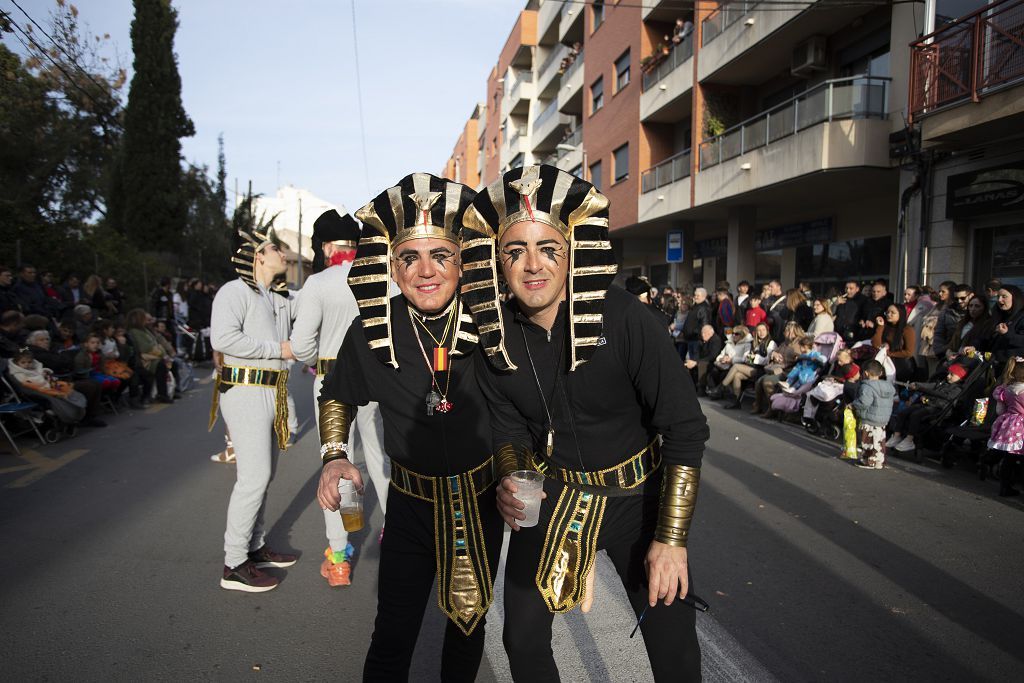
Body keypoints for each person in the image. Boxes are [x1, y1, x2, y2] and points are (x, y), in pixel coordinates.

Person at [462, 164, 708, 682]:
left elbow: (685, 430)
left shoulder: (628, 320)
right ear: (497, 261)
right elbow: (507, 429)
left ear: (572, 251)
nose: (532, 265)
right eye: (515, 251)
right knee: (521, 639)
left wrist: (671, 538)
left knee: (675, 647)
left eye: (547, 248)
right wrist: (509, 474)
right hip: (552, 495)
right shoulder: (494, 336)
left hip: (637, 499)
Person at [316, 173, 503, 680]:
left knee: (467, 630)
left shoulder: (494, 321)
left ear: (462, 261)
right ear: (391, 268)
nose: (426, 271)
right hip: (409, 508)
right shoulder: (373, 328)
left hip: (479, 505)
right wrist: (335, 454)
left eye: (440, 255)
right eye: (410, 258)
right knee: (393, 634)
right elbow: (337, 395)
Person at [291, 208, 391, 587]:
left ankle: (338, 558)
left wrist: (317, 350)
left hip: (331, 383)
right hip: (375, 382)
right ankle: (392, 531)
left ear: (328, 246)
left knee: (336, 465)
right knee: (380, 458)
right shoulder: (378, 277)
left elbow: (301, 348)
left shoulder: (318, 283)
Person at [207, 225, 298, 593]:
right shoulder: (235, 290)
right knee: (254, 478)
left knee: (265, 476)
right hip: (243, 390)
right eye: (277, 249)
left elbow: (321, 300)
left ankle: (255, 546)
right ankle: (234, 562)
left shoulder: (278, 297)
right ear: (259, 255)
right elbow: (223, 338)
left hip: (270, 391)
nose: (284, 256)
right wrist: (278, 349)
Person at [886, 363, 969, 453]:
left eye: (952, 374)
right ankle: (896, 436)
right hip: (927, 404)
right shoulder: (943, 383)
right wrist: (917, 385)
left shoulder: (957, 390)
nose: (948, 376)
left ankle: (909, 439)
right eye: (948, 373)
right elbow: (930, 386)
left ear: (960, 377)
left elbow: (944, 403)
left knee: (915, 415)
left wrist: (928, 401)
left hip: (938, 410)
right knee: (903, 412)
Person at [751, 321, 806, 415]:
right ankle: (759, 406)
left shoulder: (799, 344)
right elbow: (774, 352)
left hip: (788, 371)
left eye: (788, 331)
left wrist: (790, 360)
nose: (785, 333)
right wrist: (774, 354)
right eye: (786, 331)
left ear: (794, 332)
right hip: (777, 368)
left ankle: (773, 408)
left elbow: (800, 359)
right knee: (759, 381)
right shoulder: (785, 343)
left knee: (767, 381)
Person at [987, 358, 1024, 497]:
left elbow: (1000, 411)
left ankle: (1004, 486)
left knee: (1009, 459)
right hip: (1022, 428)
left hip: (1009, 426)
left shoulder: (1006, 390)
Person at [718, 322, 775, 409]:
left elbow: (766, 360)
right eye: (759, 330)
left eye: (763, 330)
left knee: (736, 366)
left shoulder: (771, 343)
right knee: (737, 375)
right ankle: (736, 401)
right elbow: (746, 358)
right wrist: (751, 358)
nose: (761, 332)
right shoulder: (753, 342)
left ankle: (721, 387)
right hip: (751, 368)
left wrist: (754, 358)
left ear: (767, 331)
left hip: (762, 370)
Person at [851, 359, 895, 469]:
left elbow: (864, 402)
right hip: (883, 419)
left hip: (869, 417)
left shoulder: (867, 386)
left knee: (868, 441)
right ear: (881, 373)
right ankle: (879, 461)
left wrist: (853, 405)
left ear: (865, 373)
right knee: (880, 441)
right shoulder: (888, 386)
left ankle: (869, 461)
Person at [871, 303, 917, 381]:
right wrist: (880, 326)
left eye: (893, 313)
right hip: (885, 365)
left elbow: (909, 352)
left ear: (900, 314)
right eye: (887, 312)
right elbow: (876, 344)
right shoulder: (885, 327)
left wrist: (890, 354)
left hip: (902, 367)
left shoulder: (907, 330)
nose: (889, 314)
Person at [705, 325, 752, 397]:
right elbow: (720, 354)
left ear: (742, 335)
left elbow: (745, 358)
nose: (734, 335)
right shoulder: (729, 343)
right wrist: (722, 358)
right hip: (724, 365)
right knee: (713, 370)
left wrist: (731, 359)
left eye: (736, 334)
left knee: (724, 373)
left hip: (735, 365)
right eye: (733, 333)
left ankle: (719, 391)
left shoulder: (747, 344)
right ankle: (713, 390)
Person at [986, 285, 1024, 365]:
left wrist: (1006, 334)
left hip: (1013, 369)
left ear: (1015, 298)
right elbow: (986, 338)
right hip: (994, 365)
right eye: (998, 297)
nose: (999, 300)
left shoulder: (1021, 317)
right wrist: (974, 347)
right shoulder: (998, 315)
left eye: (1004, 296)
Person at [949, 295, 994, 360]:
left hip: (972, 364)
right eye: (970, 306)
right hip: (955, 360)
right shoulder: (962, 323)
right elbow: (952, 345)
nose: (973, 309)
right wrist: (949, 354)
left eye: (977, 306)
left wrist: (970, 353)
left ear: (984, 308)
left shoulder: (988, 325)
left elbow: (987, 354)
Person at [685, 324, 723, 394]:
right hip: (704, 360)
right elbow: (699, 354)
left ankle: (701, 389)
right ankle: (690, 386)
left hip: (713, 362)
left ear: (710, 333)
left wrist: (696, 362)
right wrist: (694, 361)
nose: (702, 335)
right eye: (702, 333)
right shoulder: (703, 341)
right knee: (689, 363)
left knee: (702, 364)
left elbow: (712, 356)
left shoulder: (716, 340)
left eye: (705, 333)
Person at [682, 287, 711, 359]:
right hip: (691, 339)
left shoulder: (703, 308)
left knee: (695, 361)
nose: (695, 297)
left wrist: (697, 334)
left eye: (698, 295)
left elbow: (705, 324)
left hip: (697, 340)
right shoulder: (695, 306)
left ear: (704, 296)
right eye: (695, 295)